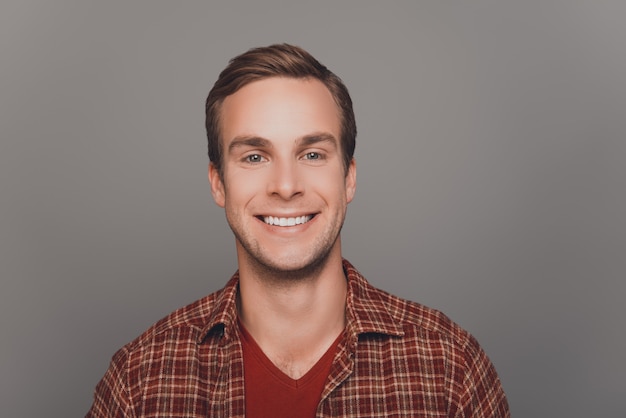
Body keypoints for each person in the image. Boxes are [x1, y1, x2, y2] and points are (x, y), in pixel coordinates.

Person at [87, 43, 510, 417]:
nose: (286, 186)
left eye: (312, 153)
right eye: (254, 157)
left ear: (349, 179)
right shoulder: (141, 381)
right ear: (218, 183)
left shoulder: (450, 369)